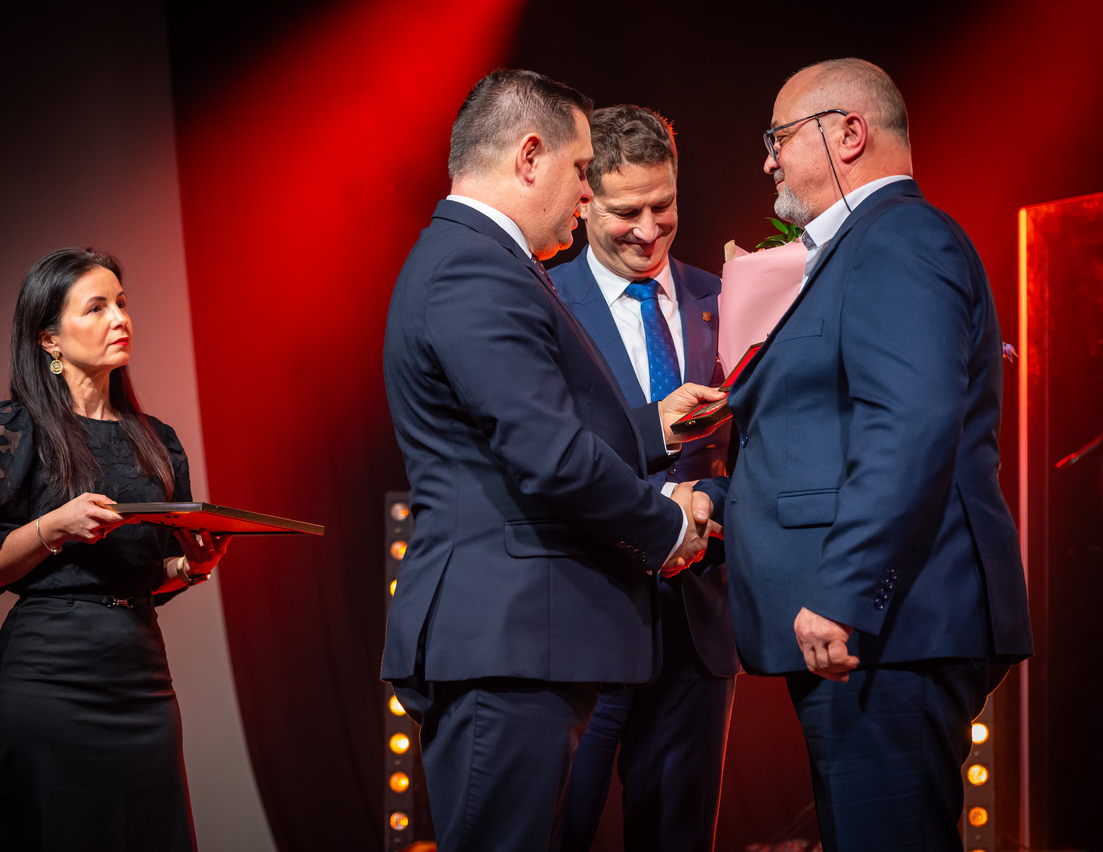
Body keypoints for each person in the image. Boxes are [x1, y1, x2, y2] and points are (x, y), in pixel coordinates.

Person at [381, 70, 725, 852]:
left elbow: (524, 431)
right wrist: (668, 527)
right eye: (580, 171)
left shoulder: (475, 259)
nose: (585, 194)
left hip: (518, 638)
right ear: (530, 156)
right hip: (507, 640)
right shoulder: (475, 267)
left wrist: (648, 432)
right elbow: (550, 454)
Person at [697, 58, 1033, 851]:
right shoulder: (861, 248)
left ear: (848, 133)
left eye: (779, 137)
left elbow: (910, 424)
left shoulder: (901, 237)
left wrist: (845, 589)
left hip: (888, 631)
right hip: (874, 638)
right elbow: (829, 433)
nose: (768, 161)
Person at [0, 247, 230, 851]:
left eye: (122, 303)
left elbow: (146, 572)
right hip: (51, 675)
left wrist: (188, 567)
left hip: (141, 674)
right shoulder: (11, 429)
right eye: (96, 307)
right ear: (50, 340)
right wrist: (53, 527)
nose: (120, 318)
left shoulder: (157, 441)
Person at [550, 104, 737, 852]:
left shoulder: (725, 298)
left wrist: (708, 504)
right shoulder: (541, 303)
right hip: (584, 618)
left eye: (664, 206)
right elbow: (542, 455)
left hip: (695, 627)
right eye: (627, 212)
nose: (649, 230)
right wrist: (659, 506)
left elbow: (760, 452)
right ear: (583, 199)